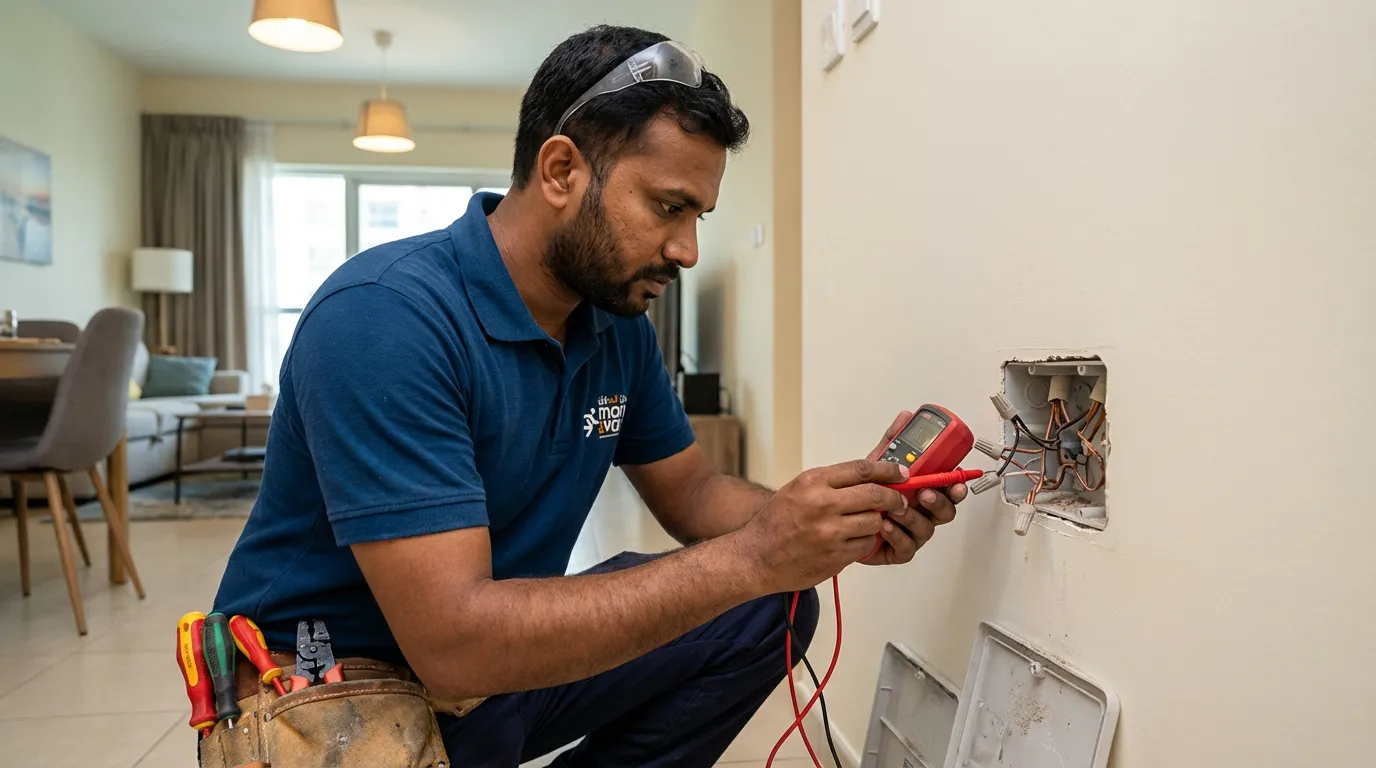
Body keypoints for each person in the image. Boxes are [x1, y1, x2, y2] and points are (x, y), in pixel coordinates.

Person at [212, 24, 967, 767]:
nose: (687, 250)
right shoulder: (384, 318)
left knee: (769, 604)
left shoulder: (615, 324)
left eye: (698, 218)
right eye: (668, 207)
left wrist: (829, 518)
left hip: (488, 672)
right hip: (334, 692)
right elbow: (453, 644)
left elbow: (694, 492)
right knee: (744, 575)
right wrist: (756, 553)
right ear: (561, 171)